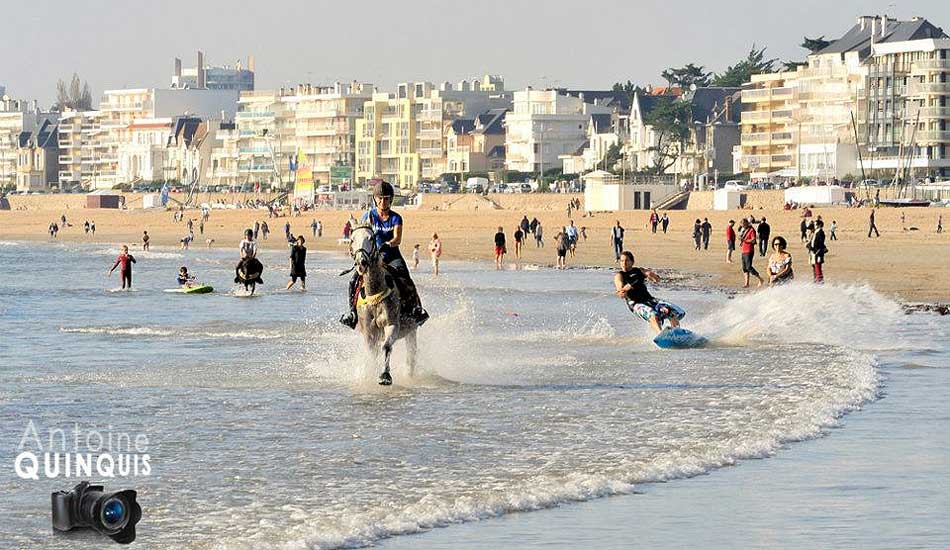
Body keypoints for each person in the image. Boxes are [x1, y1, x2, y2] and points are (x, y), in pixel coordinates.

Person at [340, 181, 428, 329]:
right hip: (372, 258)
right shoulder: (368, 216)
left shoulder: (396, 218)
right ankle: (352, 313)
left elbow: (397, 239)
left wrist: (388, 244)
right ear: (375, 199)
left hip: (392, 256)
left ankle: (415, 309)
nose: (383, 201)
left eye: (386, 198)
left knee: (405, 278)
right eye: (380, 198)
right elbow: (362, 234)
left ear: (391, 200)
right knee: (353, 281)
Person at [614, 250, 686, 334]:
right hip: (635, 304)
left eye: (627, 260)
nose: (624, 263)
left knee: (669, 311)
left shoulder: (639, 271)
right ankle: (660, 334)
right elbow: (620, 290)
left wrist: (651, 275)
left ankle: (677, 332)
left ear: (632, 262)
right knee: (653, 314)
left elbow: (656, 279)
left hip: (650, 300)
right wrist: (622, 291)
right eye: (622, 261)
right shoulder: (619, 275)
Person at [739, 218, 764, 288]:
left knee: (749, 267)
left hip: (749, 250)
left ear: (746, 223)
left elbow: (753, 240)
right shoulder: (744, 230)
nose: (742, 226)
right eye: (742, 225)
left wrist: (744, 240)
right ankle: (746, 283)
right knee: (744, 268)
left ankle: (760, 279)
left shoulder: (751, 230)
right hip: (744, 250)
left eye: (743, 225)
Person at [807, 219, 828, 283]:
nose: (814, 225)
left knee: (818, 268)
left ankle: (819, 282)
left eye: (815, 224)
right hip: (814, 252)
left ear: (819, 225)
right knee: (815, 268)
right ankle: (816, 281)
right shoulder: (816, 232)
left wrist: (816, 251)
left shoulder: (820, 232)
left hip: (817, 253)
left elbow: (820, 244)